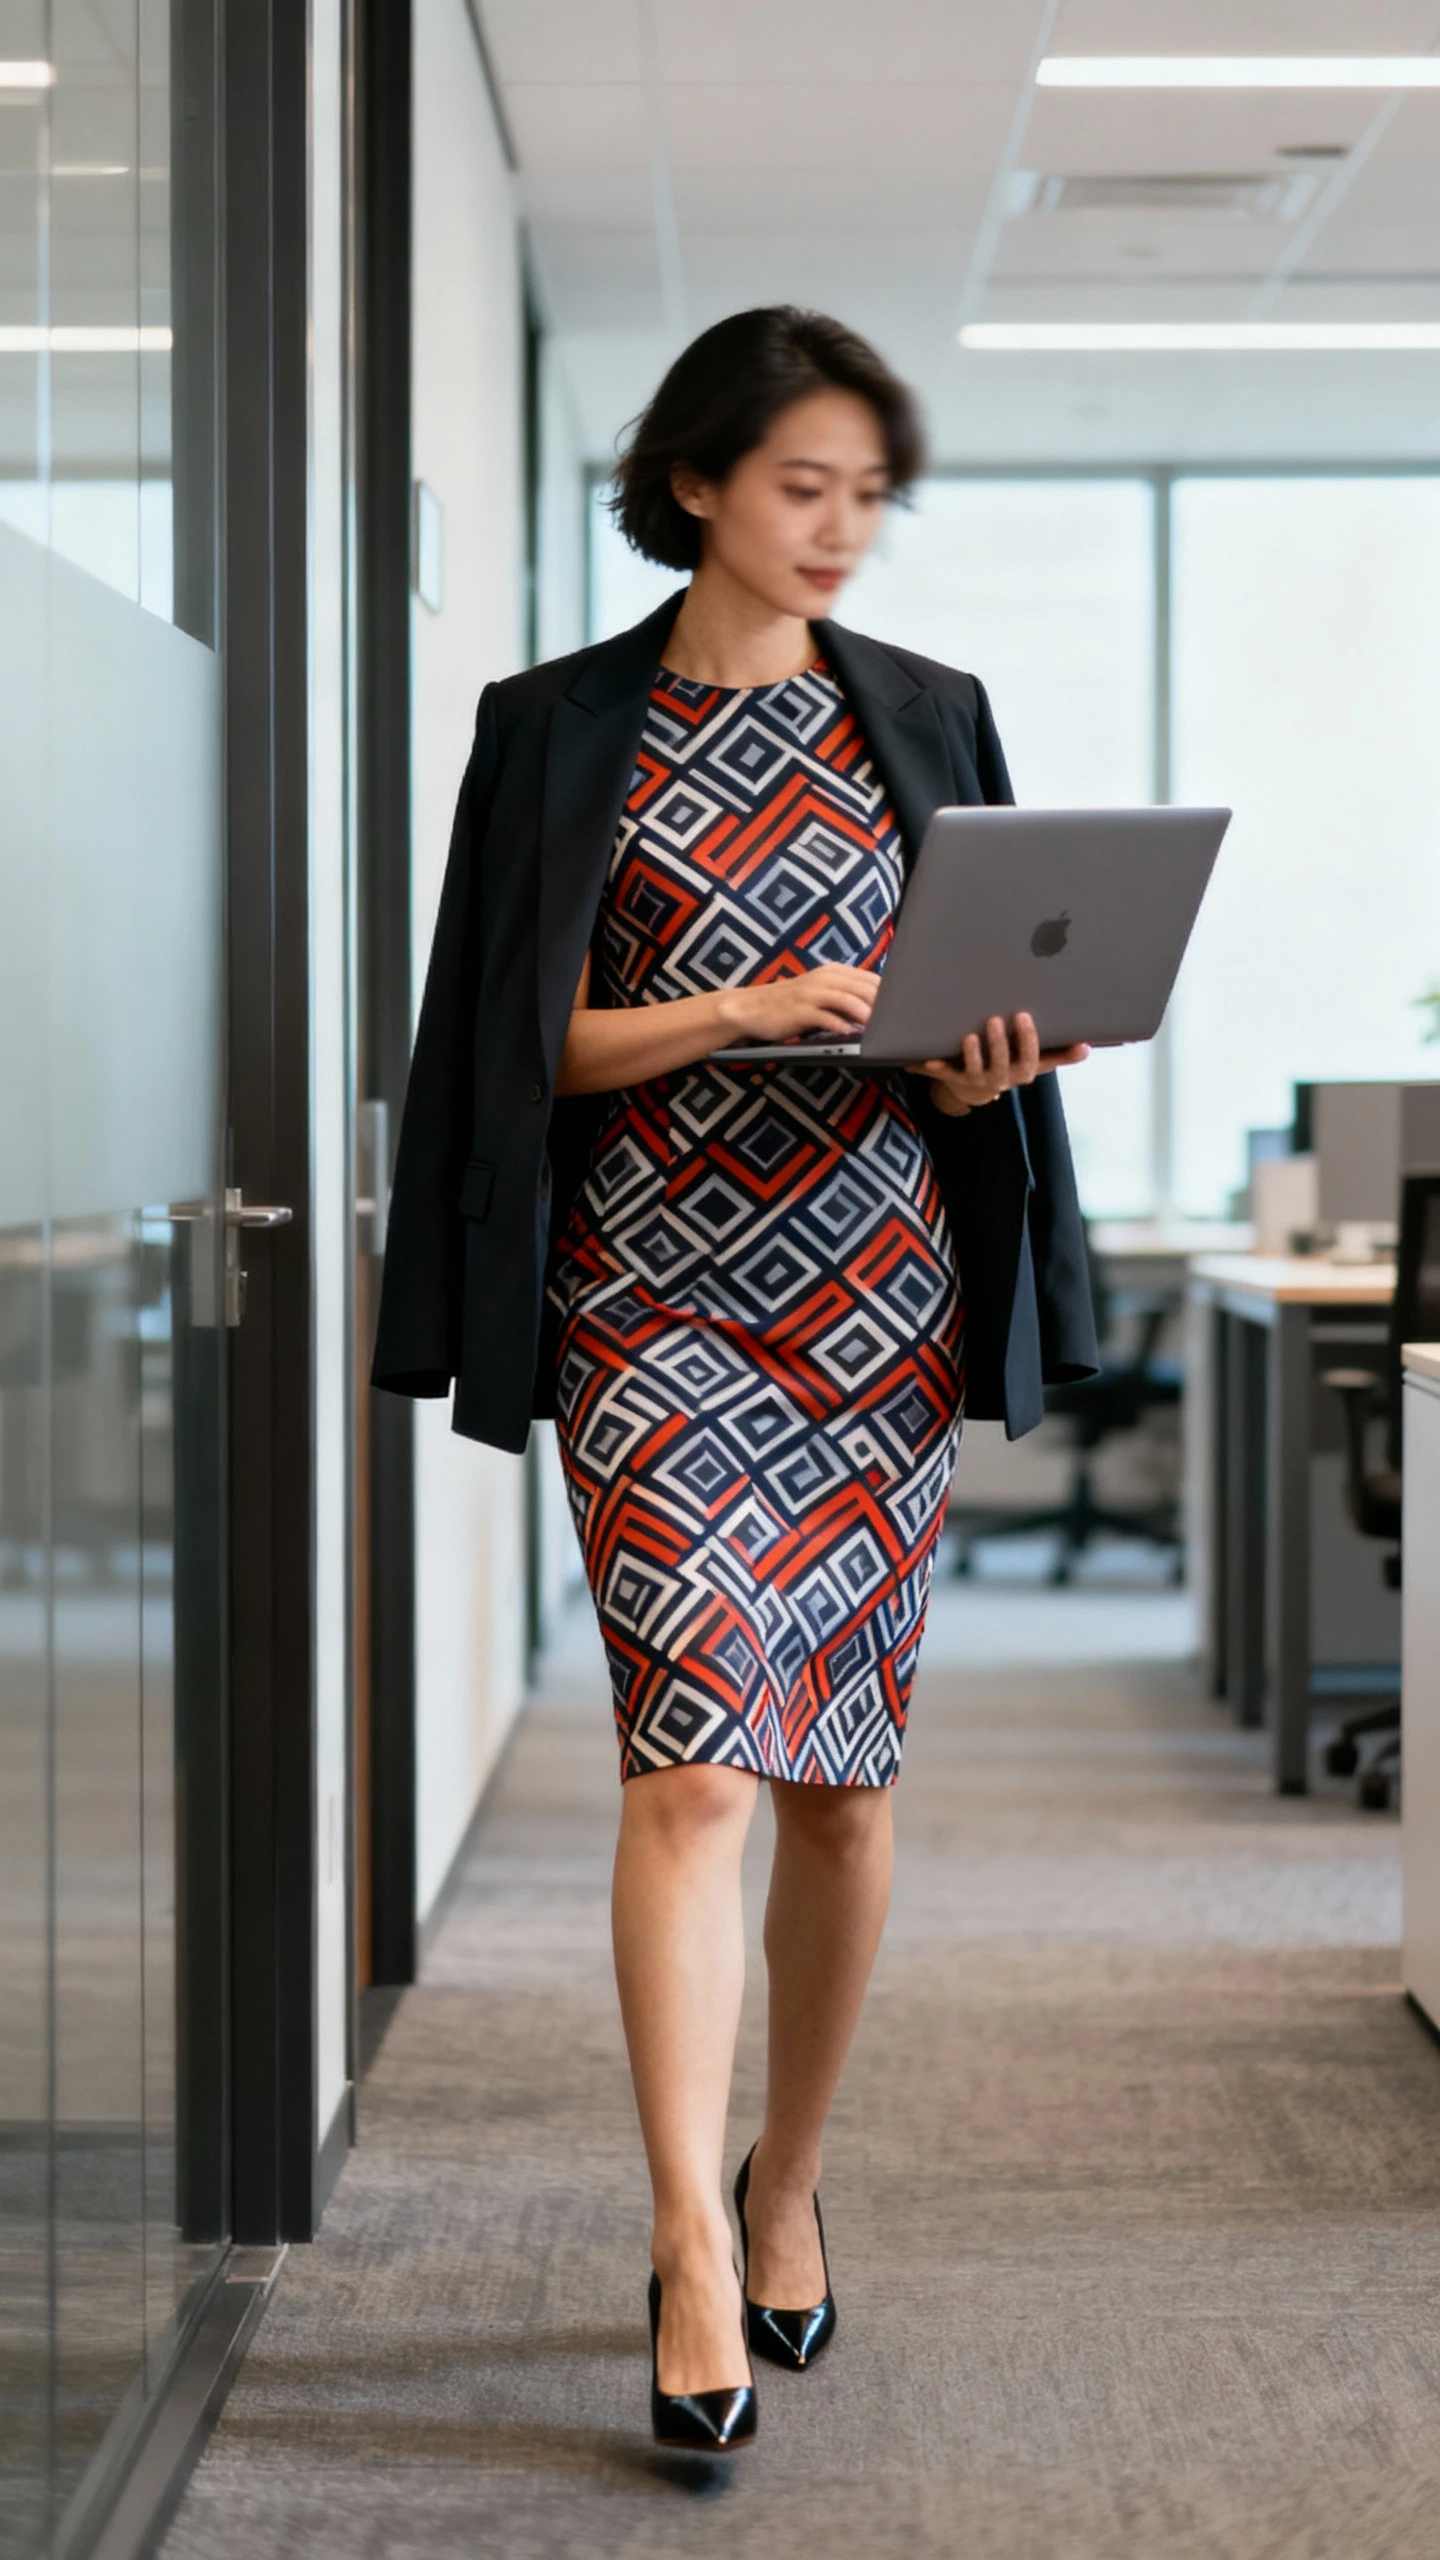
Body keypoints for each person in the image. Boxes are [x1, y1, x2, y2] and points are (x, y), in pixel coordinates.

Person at [373, 306, 1098, 2451]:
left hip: (876, 1290)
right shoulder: (557, 727)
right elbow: (506, 1054)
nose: (843, 526)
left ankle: (790, 2181)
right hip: (651, 1301)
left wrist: (997, 1048)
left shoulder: (933, 715)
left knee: (844, 1778)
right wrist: (736, 1003)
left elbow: (996, 990)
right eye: (806, 483)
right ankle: (690, 2236)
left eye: (872, 491)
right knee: (692, 1754)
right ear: (694, 481)